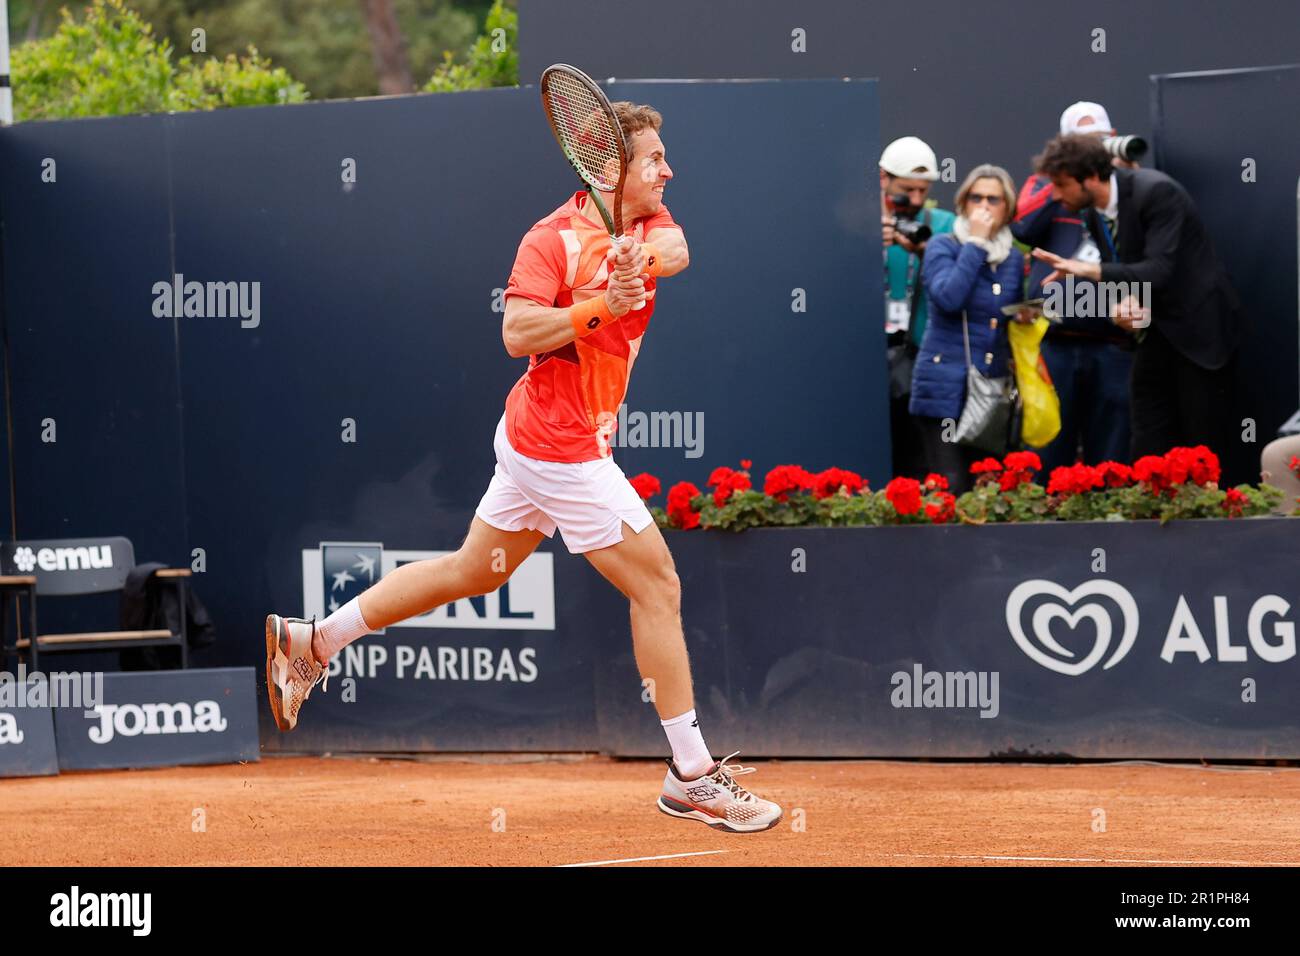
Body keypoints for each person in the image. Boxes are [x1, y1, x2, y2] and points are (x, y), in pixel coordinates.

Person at [263, 101, 782, 834]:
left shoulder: (646, 225)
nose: (670, 169)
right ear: (611, 168)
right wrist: (601, 303)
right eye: (655, 159)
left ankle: (313, 640)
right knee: (659, 584)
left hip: (544, 438)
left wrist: (631, 262)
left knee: (473, 571)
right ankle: (691, 775)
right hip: (556, 445)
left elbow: (678, 251)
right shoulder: (548, 240)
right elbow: (517, 331)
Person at [1030, 134, 1245, 461]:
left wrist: (1086, 270)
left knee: (1203, 445)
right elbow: (1127, 274)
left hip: (1200, 334)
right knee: (1147, 441)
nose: (1055, 195)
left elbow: (1158, 270)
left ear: (1090, 178)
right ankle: (1150, 507)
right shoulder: (1092, 212)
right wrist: (1122, 306)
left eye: (1060, 184)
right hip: (1154, 334)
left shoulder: (1156, 191)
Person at [1012, 103, 1135, 471]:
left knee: (1113, 451)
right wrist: (1061, 179)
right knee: (1048, 445)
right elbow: (1022, 229)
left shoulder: (1129, 182)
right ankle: (1043, 524)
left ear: (1112, 141)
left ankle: (1112, 523)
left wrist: (1118, 178)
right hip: (1056, 334)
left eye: (1097, 142)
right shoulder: (1045, 183)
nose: (1089, 153)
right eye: (1080, 144)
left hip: (1114, 336)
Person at [910, 165, 1029, 493]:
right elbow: (949, 298)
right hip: (944, 389)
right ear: (963, 203)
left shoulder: (1012, 259)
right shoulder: (942, 246)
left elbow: (1002, 314)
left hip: (989, 394)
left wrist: (1022, 317)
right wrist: (975, 243)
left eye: (993, 199)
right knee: (952, 485)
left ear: (1007, 208)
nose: (984, 206)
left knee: (987, 486)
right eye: (976, 198)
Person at [880, 136, 955, 478]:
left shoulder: (942, 225)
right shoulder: (855, 219)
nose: (915, 199)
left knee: (922, 461)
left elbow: (956, 283)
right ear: (884, 178)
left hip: (920, 357)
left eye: (923, 191)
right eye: (907, 189)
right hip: (860, 359)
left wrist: (923, 251)